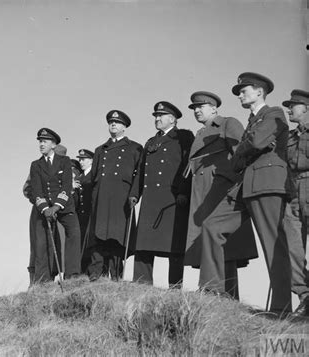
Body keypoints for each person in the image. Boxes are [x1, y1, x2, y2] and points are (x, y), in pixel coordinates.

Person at [199, 72, 293, 316]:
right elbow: (245, 151)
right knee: (212, 225)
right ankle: (212, 292)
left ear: (260, 91)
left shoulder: (273, 114)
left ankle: (281, 308)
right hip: (245, 185)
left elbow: (255, 143)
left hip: (266, 184)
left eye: (244, 90)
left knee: (273, 244)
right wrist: (248, 146)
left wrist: (248, 146)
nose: (240, 94)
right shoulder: (253, 121)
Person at [184, 91, 258, 299]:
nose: (197, 110)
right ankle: (215, 293)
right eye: (194, 108)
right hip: (203, 193)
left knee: (227, 244)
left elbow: (241, 156)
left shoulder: (228, 123)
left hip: (222, 191)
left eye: (201, 106)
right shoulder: (200, 133)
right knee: (210, 243)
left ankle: (222, 293)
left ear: (214, 108)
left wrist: (231, 184)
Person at [129, 101, 194, 288]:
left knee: (174, 247)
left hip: (172, 201)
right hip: (150, 202)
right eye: (155, 116)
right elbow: (141, 170)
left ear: (172, 119)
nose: (157, 119)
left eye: (161, 116)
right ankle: (141, 286)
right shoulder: (150, 142)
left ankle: (175, 289)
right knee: (143, 247)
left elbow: (188, 166)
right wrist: (135, 194)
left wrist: (183, 191)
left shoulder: (183, 137)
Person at [88, 110, 142, 281]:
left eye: (117, 123)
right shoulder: (100, 150)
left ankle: (116, 276)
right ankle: (96, 276)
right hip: (101, 199)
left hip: (121, 199)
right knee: (98, 237)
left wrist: (134, 195)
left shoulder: (134, 148)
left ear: (124, 127)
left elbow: (138, 175)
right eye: (111, 122)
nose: (113, 125)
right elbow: (93, 178)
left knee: (117, 237)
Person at [29, 128, 81, 282]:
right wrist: (45, 209)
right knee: (41, 242)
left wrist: (56, 207)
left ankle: (72, 275)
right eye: (40, 141)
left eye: (44, 141)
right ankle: (43, 279)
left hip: (64, 206)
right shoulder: (36, 165)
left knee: (74, 233)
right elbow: (36, 190)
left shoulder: (64, 161)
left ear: (53, 144)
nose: (41, 144)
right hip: (45, 208)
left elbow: (66, 186)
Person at [281, 89, 309, 317]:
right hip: (293, 195)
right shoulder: (289, 137)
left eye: (293, 105)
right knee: (293, 251)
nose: (289, 109)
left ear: (306, 109)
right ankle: (305, 298)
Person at [23, 144, 67, 286]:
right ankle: (37, 282)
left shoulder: (66, 167)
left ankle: (52, 279)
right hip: (40, 210)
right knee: (39, 246)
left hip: (59, 212)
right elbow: (27, 189)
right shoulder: (38, 167)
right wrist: (40, 202)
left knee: (57, 246)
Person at [75, 149, 94, 272]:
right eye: (80, 159)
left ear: (91, 160)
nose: (81, 162)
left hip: (91, 214)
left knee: (90, 245)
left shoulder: (94, 175)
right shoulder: (79, 176)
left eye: (84, 159)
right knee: (80, 244)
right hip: (79, 216)